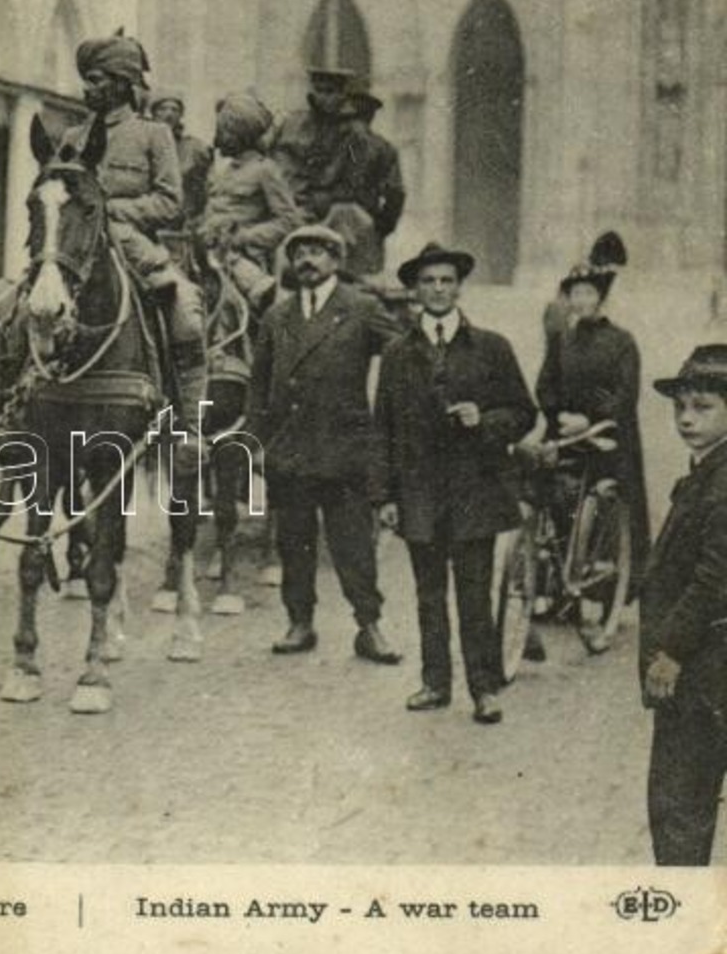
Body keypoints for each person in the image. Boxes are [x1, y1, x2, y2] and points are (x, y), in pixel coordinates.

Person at [376, 243, 535, 725]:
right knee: (428, 596)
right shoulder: (397, 353)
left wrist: (483, 420)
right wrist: (384, 496)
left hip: (473, 492)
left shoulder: (491, 347)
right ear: (415, 290)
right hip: (420, 493)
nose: (438, 289)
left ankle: (484, 689)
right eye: (428, 282)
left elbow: (524, 413)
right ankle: (435, 683)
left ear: (459, 286)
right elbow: (380, 427)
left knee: (474, 596)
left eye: (446, 280)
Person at [247, 224, 403, 663]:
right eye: (300, 254)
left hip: (345, 449)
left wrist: (389, 416)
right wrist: (255, 444)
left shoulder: (360, 308)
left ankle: (369, 626)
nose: (307, 261)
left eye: (318, 252)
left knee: (352, 543)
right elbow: (258, 386)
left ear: (336, 261)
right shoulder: (277, 316)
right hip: (291, 449)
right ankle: (300, 622)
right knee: (294, 542)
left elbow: (401, 352)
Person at [62, 32, 208, 415]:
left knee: (187, 318)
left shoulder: (153, 135)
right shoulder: (71, 137)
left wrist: (112, 212)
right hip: (75, 249)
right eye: (87, 79)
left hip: (134, 248)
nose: (87, 88)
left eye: (97, 80)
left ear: (122, 84)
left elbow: (170, 202)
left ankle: (190, 424)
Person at [642, 344, 727, 864]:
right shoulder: (707, 471)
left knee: (679, 809)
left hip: (702, 669)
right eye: (680, 407)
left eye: (703, 407)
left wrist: (671, 649)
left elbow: (716, 576)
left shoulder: (721, 482)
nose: (687, 418)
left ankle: (682, 927)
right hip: (705, 665)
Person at [534, 261, 651, 600]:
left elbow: (626, 395)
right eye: (575, 294)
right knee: (549, 492)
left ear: (600, 297)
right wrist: (559, 416)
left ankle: (606, 591)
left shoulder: (621, 342)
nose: (582, 300)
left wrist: (590, 418)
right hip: (567, 433)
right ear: (568, 299)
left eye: (589, 293)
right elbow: (546, 386)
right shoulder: (562, 340)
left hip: (608, 435)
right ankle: (553, 583)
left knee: (605, 509)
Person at [200, 92, 304, 283]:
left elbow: (289, 221)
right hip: (207, 251)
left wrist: (244, 237)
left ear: (240, 134)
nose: (218, 137)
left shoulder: (265, 170)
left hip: (244, 259)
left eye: (224, 131)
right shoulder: (222, 170)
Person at [267, 66, 371, 225]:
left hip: (323, 212)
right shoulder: (291, 123)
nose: (322, 97)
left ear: (342, 95)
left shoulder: (353, 135)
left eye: (330, 92)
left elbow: (353, 184)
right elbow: (270, 160)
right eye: (318, 90)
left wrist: (320, 200)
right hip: (280, 204)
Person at [332, 75, 405, 280]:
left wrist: (379, 228)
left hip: (340, 221)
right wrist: (380, 228)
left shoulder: (331, 145)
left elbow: (395, 194)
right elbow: (395, 194)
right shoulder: (384, 148)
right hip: (364, 223)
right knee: (363, 284)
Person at [148, 92, 213, 231]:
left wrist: (198, 220)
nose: (169, 114)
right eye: (162, 109)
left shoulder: (195, 149)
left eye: (174, 109)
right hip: (150, 220)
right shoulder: (142, 145)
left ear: (181, 115)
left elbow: (207, 190)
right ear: (153, 113)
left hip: (184, 224)